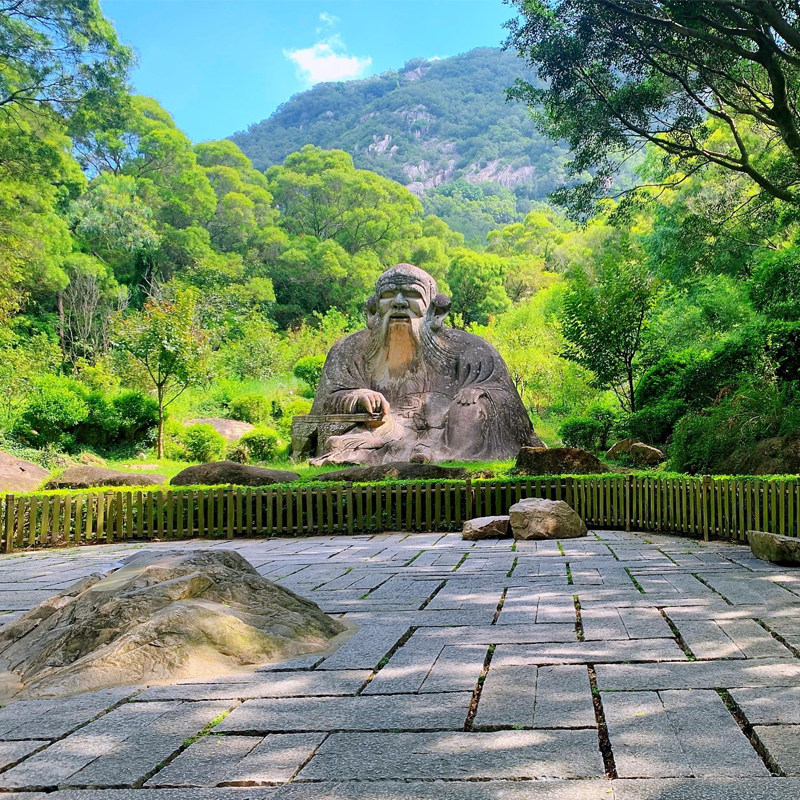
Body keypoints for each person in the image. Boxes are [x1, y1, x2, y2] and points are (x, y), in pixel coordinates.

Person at [309, 263, 541, 465]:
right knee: (345, 444)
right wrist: (358, 397)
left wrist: (479, 392)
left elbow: (507, 400)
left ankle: (446, 453)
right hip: (386, 430)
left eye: (412, 294)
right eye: (389, 295)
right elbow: (326, 402)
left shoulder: (472, 350)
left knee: (472, 407)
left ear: (436, 312)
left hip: (451, 436)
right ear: (373, 311)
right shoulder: (349, 351)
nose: (399, 303)